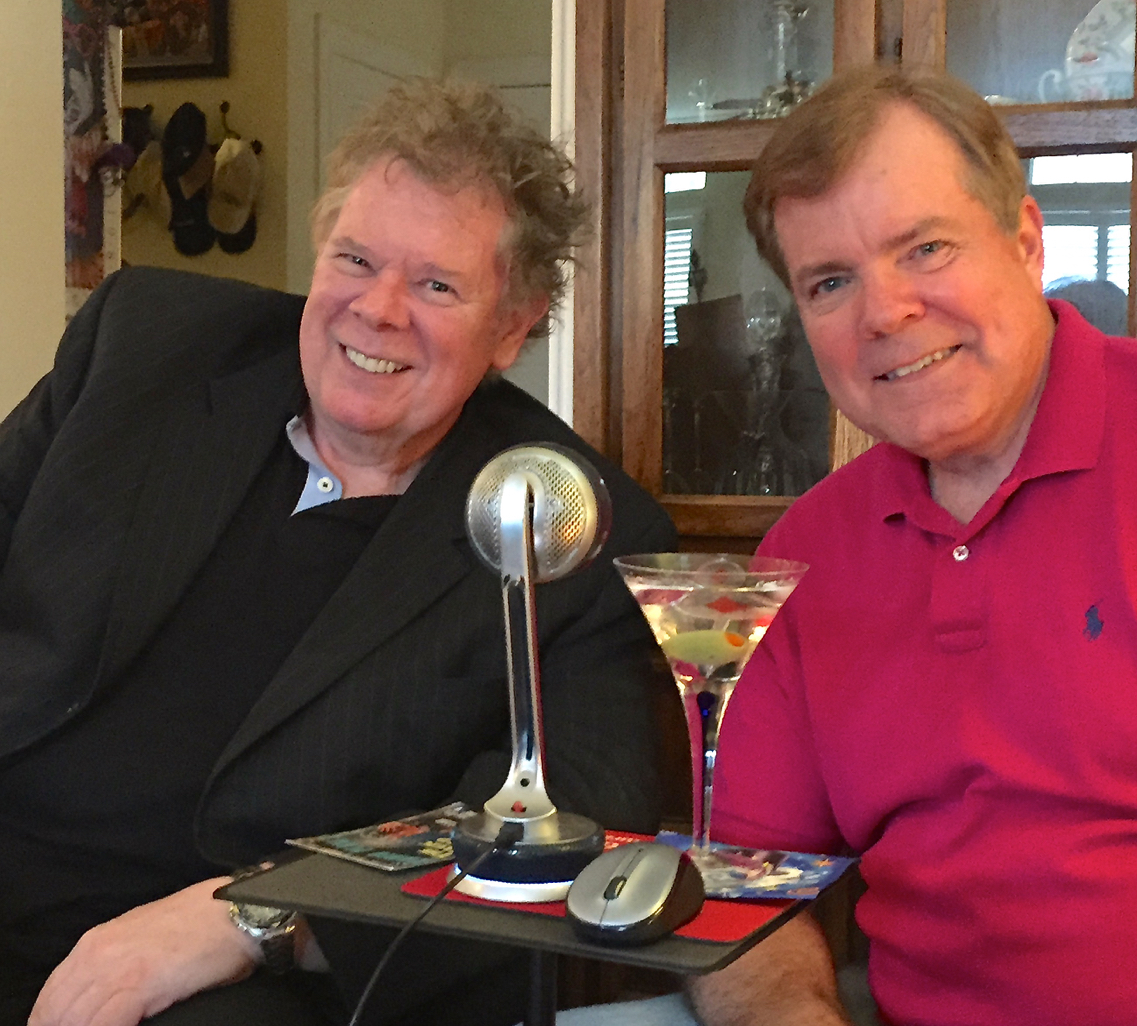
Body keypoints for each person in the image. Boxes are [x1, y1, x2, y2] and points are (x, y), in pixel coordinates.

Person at [561, 64, 1137, 1026]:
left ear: (1025, 241)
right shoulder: (805, 555)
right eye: (831, 282)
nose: (886, 312)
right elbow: (739, 887)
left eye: (926, 248)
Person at [0, 78, 675, 1026]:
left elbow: (568, 830)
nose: (379, 310)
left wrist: (259, 918)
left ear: (513, 326)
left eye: (437, 286)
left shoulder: (571, 526)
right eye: (355, 259)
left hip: (239, 984)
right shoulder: (144, 345)